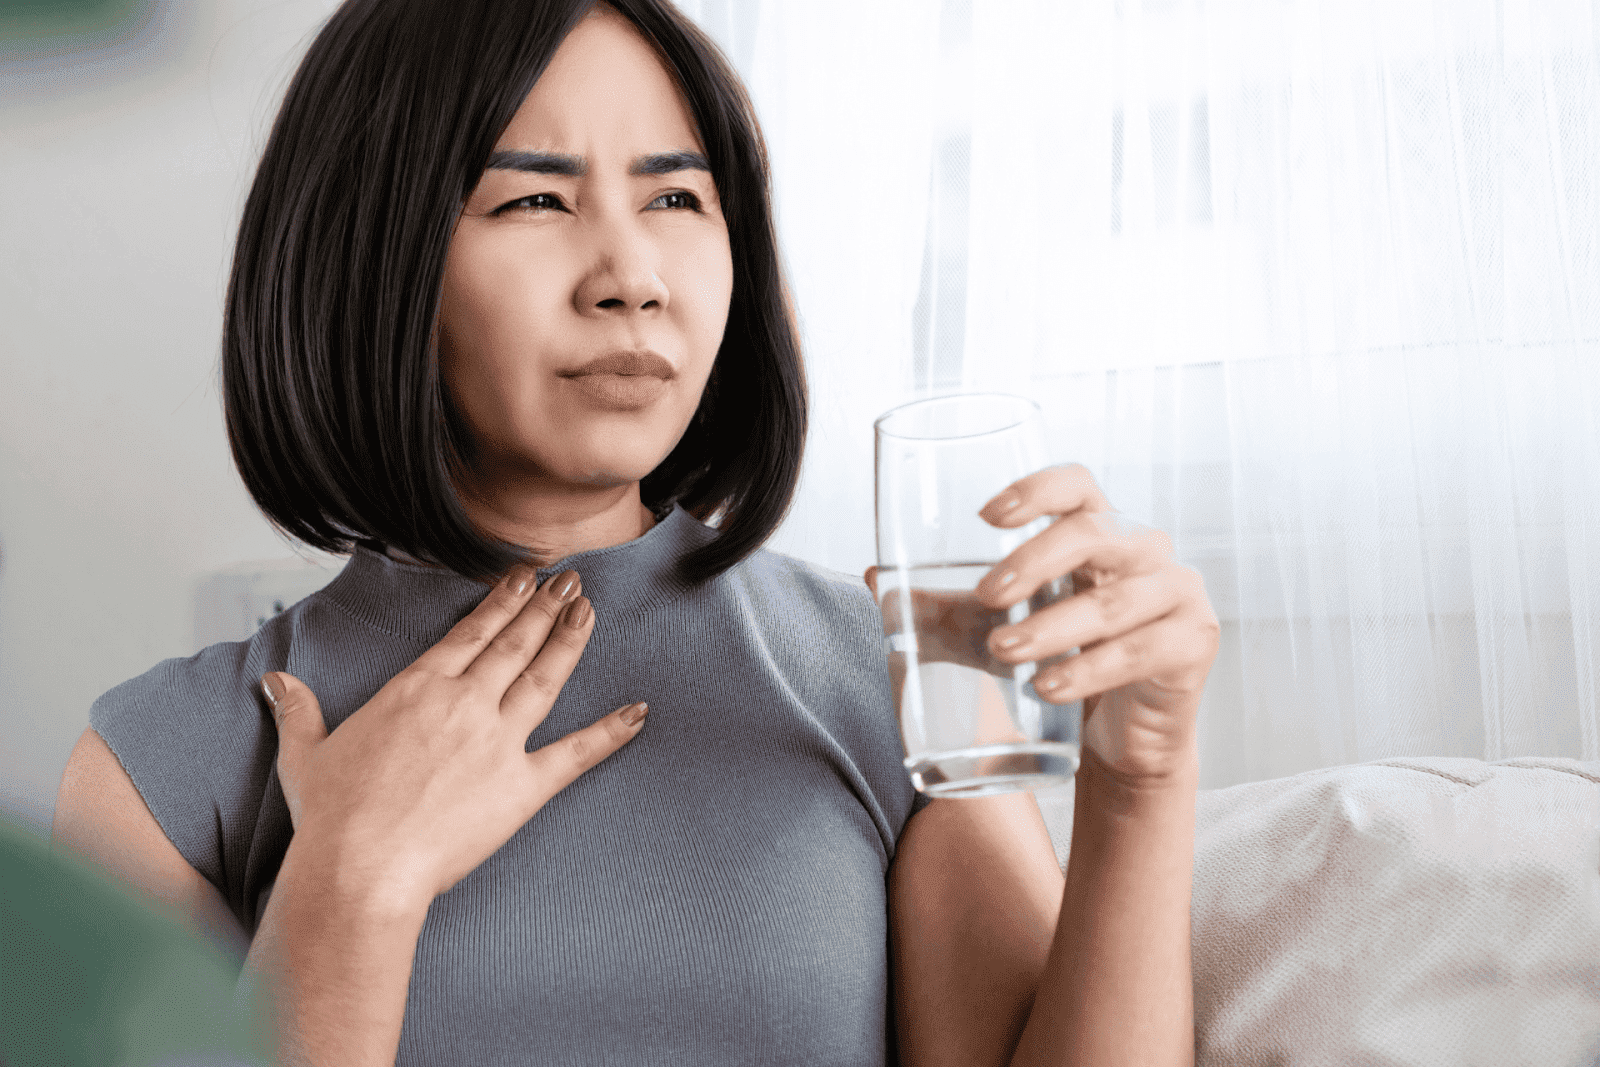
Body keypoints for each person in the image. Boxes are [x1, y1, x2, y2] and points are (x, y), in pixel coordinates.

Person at [52, 1, 1221, 1064]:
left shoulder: (884, 674)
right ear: (369, 254)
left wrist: (1139, 783)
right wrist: (352, 884)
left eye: (676, 199)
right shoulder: (160, 766)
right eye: (535, 200)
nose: (632, 277)